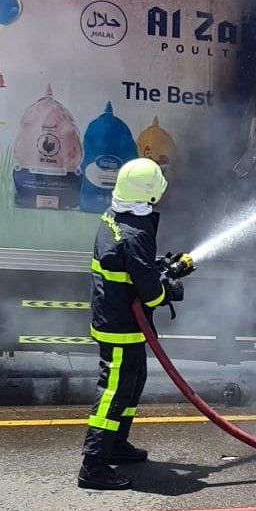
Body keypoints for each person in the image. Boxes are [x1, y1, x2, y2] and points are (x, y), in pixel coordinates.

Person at [77, 157, 183, 490]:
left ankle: (116, 444)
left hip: (117, 318)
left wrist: (157, 269)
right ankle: (93, 465)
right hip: (121, 325)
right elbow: (150, 295)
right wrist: (170, 287)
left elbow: (130, 269)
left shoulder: (115, 217)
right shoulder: (136, 232)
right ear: (148, 194)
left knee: (134, 382)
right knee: (114, 391)